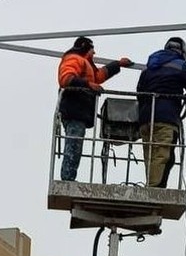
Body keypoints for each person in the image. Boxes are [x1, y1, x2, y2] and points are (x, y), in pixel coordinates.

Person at [57, 36, 133, 181]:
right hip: (74, 111)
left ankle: (68, 178)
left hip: (78, 112)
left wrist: (118, 64)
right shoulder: (74, 58)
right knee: (73, 146)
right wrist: (88, 85)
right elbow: (65, 79)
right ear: (86, 47)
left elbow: (98, 76)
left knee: (75, 146)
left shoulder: (85, 64)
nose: (94, 53)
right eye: (92, 49)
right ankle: (67, 179)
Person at [136, 37, 186, 188]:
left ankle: (151, 186)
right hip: (166, 119)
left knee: (151, 156)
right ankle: (154, 191)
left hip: (145, 119)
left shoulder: (148, 67)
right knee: (164, 157)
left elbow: (139, 91)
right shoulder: (180, 65)